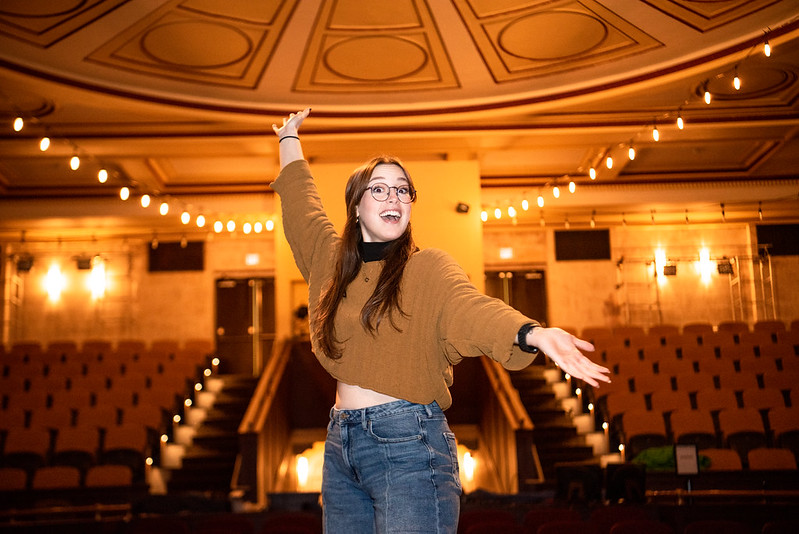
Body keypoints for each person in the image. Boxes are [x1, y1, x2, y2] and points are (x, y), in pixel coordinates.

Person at [271, 108, 610, 533]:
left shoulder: (427, 269)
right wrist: (288, 139)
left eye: (402, 190)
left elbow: (470, 308)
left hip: (409, 445)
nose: (393, 197)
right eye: (379, 189)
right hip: (341, 444)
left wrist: (531, 333)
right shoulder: (331, 262)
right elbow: (302, 207)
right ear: (356, 207)